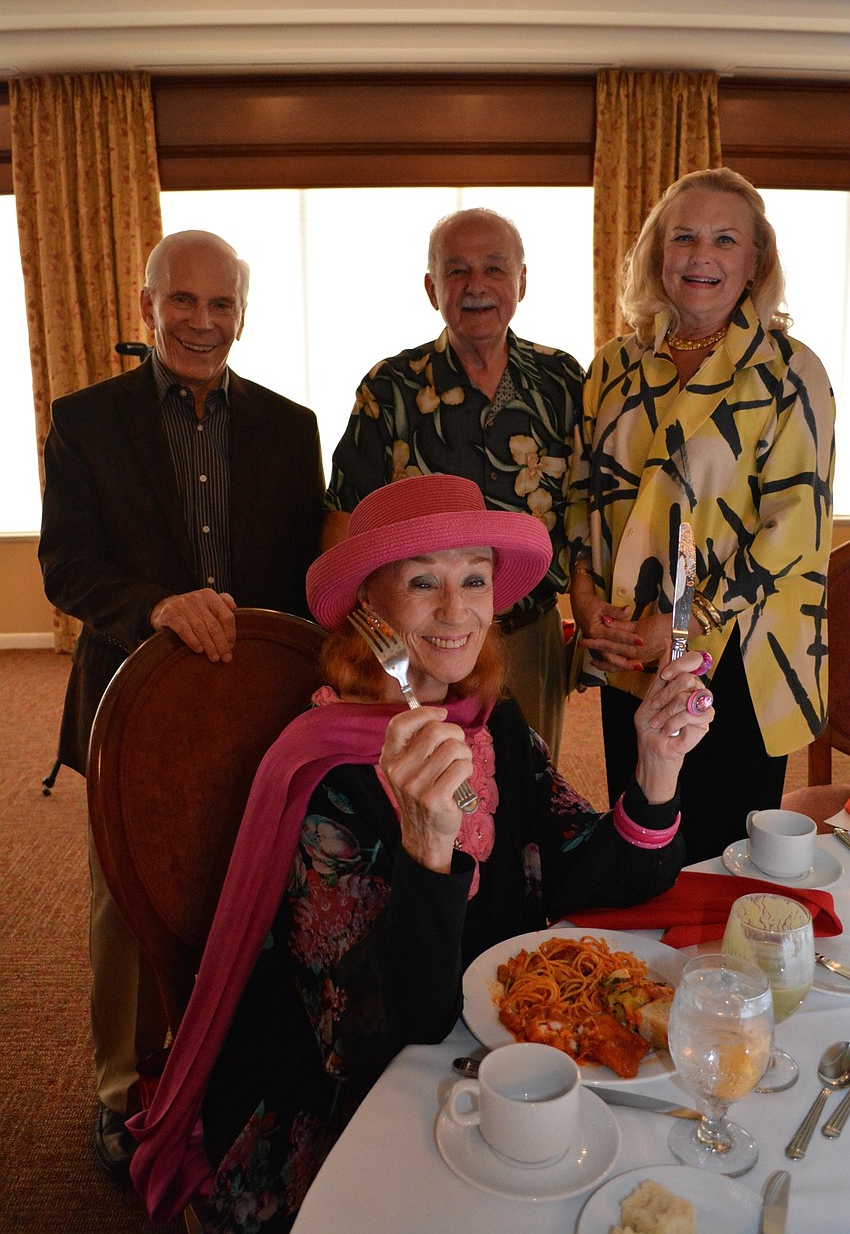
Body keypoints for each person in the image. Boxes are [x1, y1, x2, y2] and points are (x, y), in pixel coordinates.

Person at [128, 473, 713, 1233]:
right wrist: (429, 850)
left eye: (473, 578)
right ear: (371, 608)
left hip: (505, 1060)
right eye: (422, 582)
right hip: (356, 1108)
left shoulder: (491, 721)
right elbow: (368, 1043)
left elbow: (579, 875)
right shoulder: (328, 776)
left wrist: (656, 772)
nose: (455, 608)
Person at [38, 230, 325, 1176]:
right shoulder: (85, 421)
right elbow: (65, 566)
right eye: (184, 301)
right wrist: (156, 606)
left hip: (254, 711)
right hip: (130, 699)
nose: (203, 322)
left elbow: (301, 577)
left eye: (223, 304)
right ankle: (119, 1092)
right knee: (126, 897)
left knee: (247, 882)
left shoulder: (292, 426)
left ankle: (237, 1070)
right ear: (147, 301)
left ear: (244, 311)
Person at [566, 167, 835, 865]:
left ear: (755, 260)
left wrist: (684, 624)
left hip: (740, 650)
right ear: (658, 252)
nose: (700, 255)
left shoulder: (790, 371)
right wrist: (586, 596)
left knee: (724, 848)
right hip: (631, 642)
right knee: (642, 835)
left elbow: (794, 526)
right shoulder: (613, 367)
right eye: (683, 236)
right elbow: (582, 495)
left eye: (724, 238)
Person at [322, 207, 584, 762]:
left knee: (529, 778)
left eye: (494, 269)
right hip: (421, 635)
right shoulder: (391, 385)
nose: (476, 287)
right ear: (430, 287)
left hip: (530, 630)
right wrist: (369, 640)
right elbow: (345, 520)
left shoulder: (562, 379)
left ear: (522, 282)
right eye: (457, 271)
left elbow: (586, 503)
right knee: (422, 777)